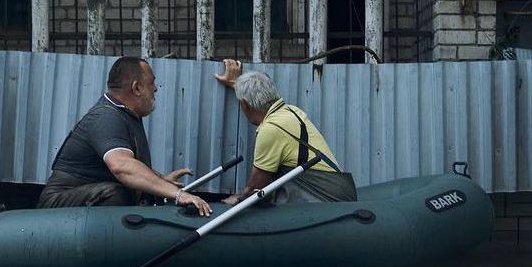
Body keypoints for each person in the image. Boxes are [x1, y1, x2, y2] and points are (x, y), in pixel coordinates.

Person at [38, 56, 213, 215]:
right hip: (57, 206)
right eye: (152, 83)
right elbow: (122, 166)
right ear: (137, 87)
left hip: (85, 198)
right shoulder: (106, 116)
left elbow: (130, 165)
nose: (155, 89)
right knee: (115, 194)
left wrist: (161, 181)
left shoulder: (126, 114)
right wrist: (178, 195)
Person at [214, 59, 357, 204]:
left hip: (323, 198)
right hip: (341, 191)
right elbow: (255, 98)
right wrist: (237, 84)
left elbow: (256, 188)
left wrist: (237, 199)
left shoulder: (270, 129)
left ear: (244, 104)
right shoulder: (291, 111)